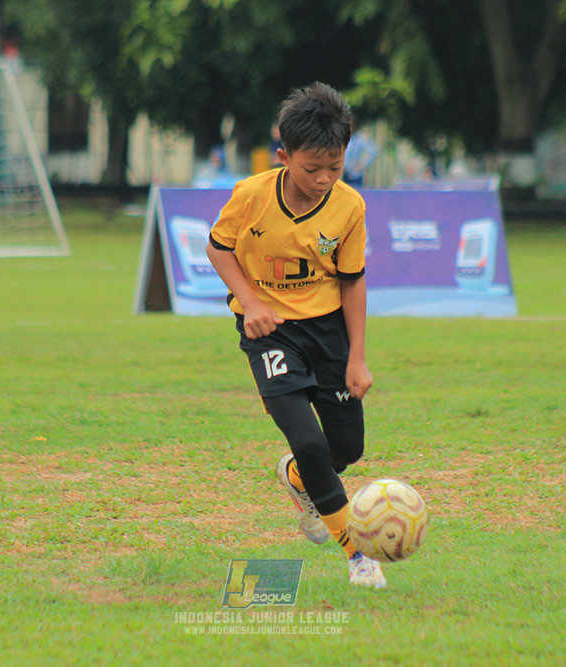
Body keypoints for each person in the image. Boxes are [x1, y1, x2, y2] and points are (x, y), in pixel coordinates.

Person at [206, 82, 385, 588]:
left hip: (327, 330)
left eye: (336, 166)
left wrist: (357, 358)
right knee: (307, 439)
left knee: (346, 448)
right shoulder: (251, 196)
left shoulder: (350, 207)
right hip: (270, 333)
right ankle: (358, 553)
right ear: (284, 156)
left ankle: (299, 478)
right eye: (313, 168)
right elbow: (219, 250)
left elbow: (353, 282)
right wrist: (254, 303)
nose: (325, 179)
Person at [342, 120, 378, 188]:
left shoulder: (360, 138)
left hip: (354, 174)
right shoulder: (346, 138)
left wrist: (362, 164)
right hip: (344, 173)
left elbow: (372, 151)